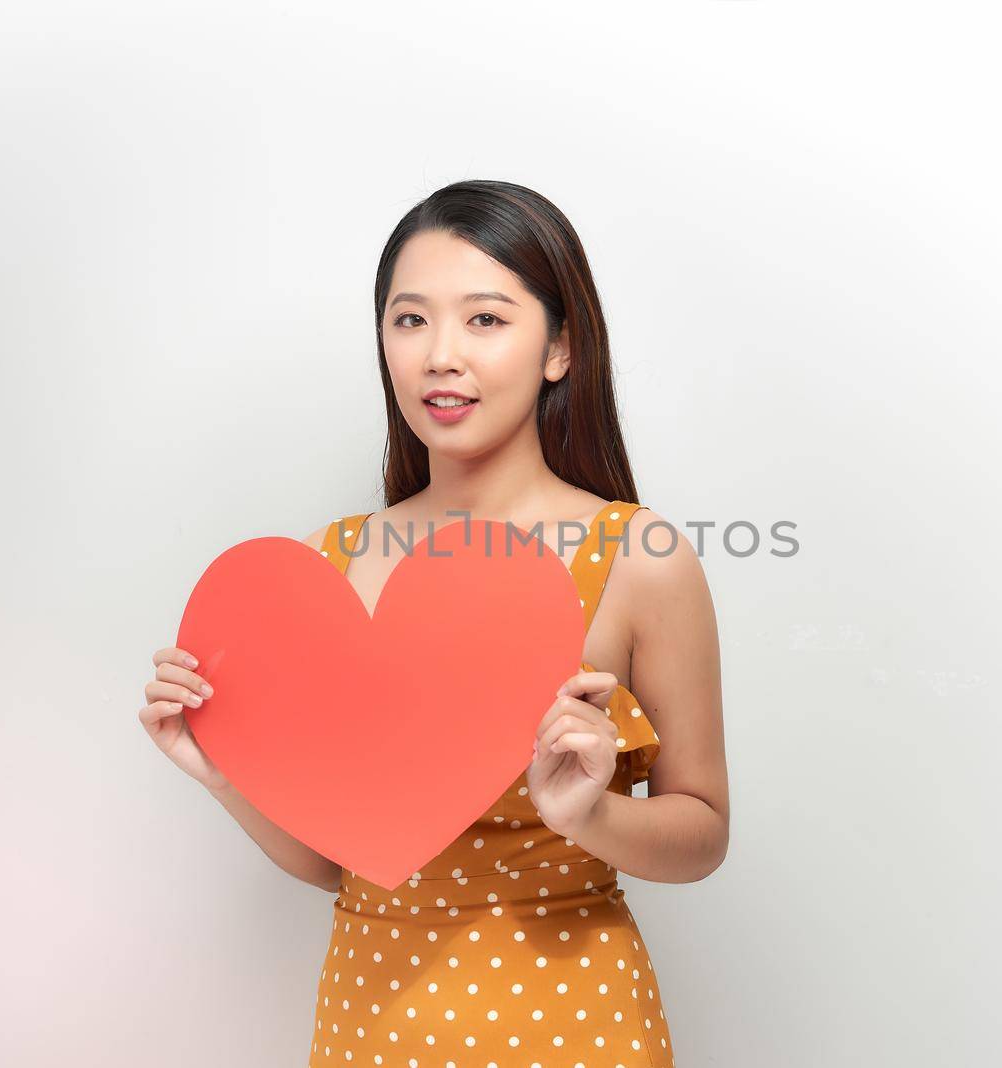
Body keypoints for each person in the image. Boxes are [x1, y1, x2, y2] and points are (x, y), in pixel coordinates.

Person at [138, 179, 729, 1066]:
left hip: (578, 1019)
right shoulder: (323, 569)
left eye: (485, 320)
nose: (439, 356)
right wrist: (222, 770)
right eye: (410, 320)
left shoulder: (638, 556)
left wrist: (588, 817)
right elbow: (338, 861)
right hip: (370, 1019)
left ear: (560, 348)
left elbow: (703, 831)